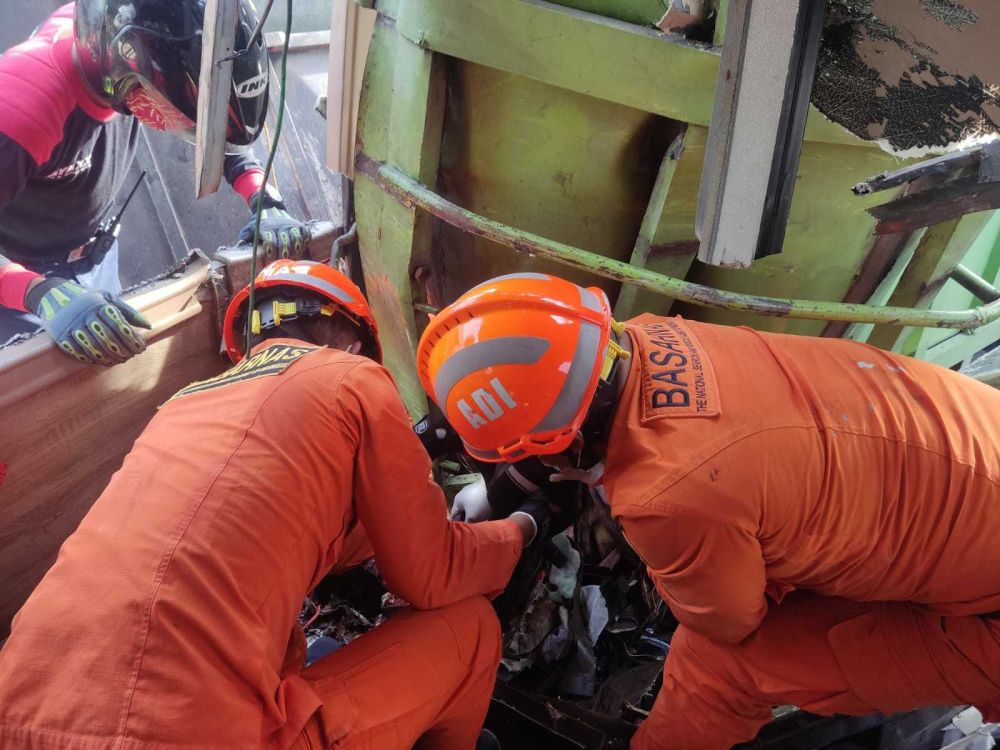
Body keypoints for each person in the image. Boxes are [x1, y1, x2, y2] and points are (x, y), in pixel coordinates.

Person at [416, 271, 1000, 750]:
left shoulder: (667, 496)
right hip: (974, 445)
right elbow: (576, 418)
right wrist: (504, 491)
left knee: (720, 671)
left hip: (989, 609)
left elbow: (730, 623)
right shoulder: (650, 335)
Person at [0, 260, 546, 749]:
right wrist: (521, 527)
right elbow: (430, 572)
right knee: (470, 630)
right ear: (349, 338)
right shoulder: (351, 378)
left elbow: (297, 526)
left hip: (20, 717)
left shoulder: (179, 407)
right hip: (191, 733)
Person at [0, 0, 308, 365]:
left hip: (93, 257)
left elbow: (209, 128)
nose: (176, 124)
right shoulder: (19, 111)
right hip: (20, 283)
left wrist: (264, 199)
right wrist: (38, 292)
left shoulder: (124, 48)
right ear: (127, 66)